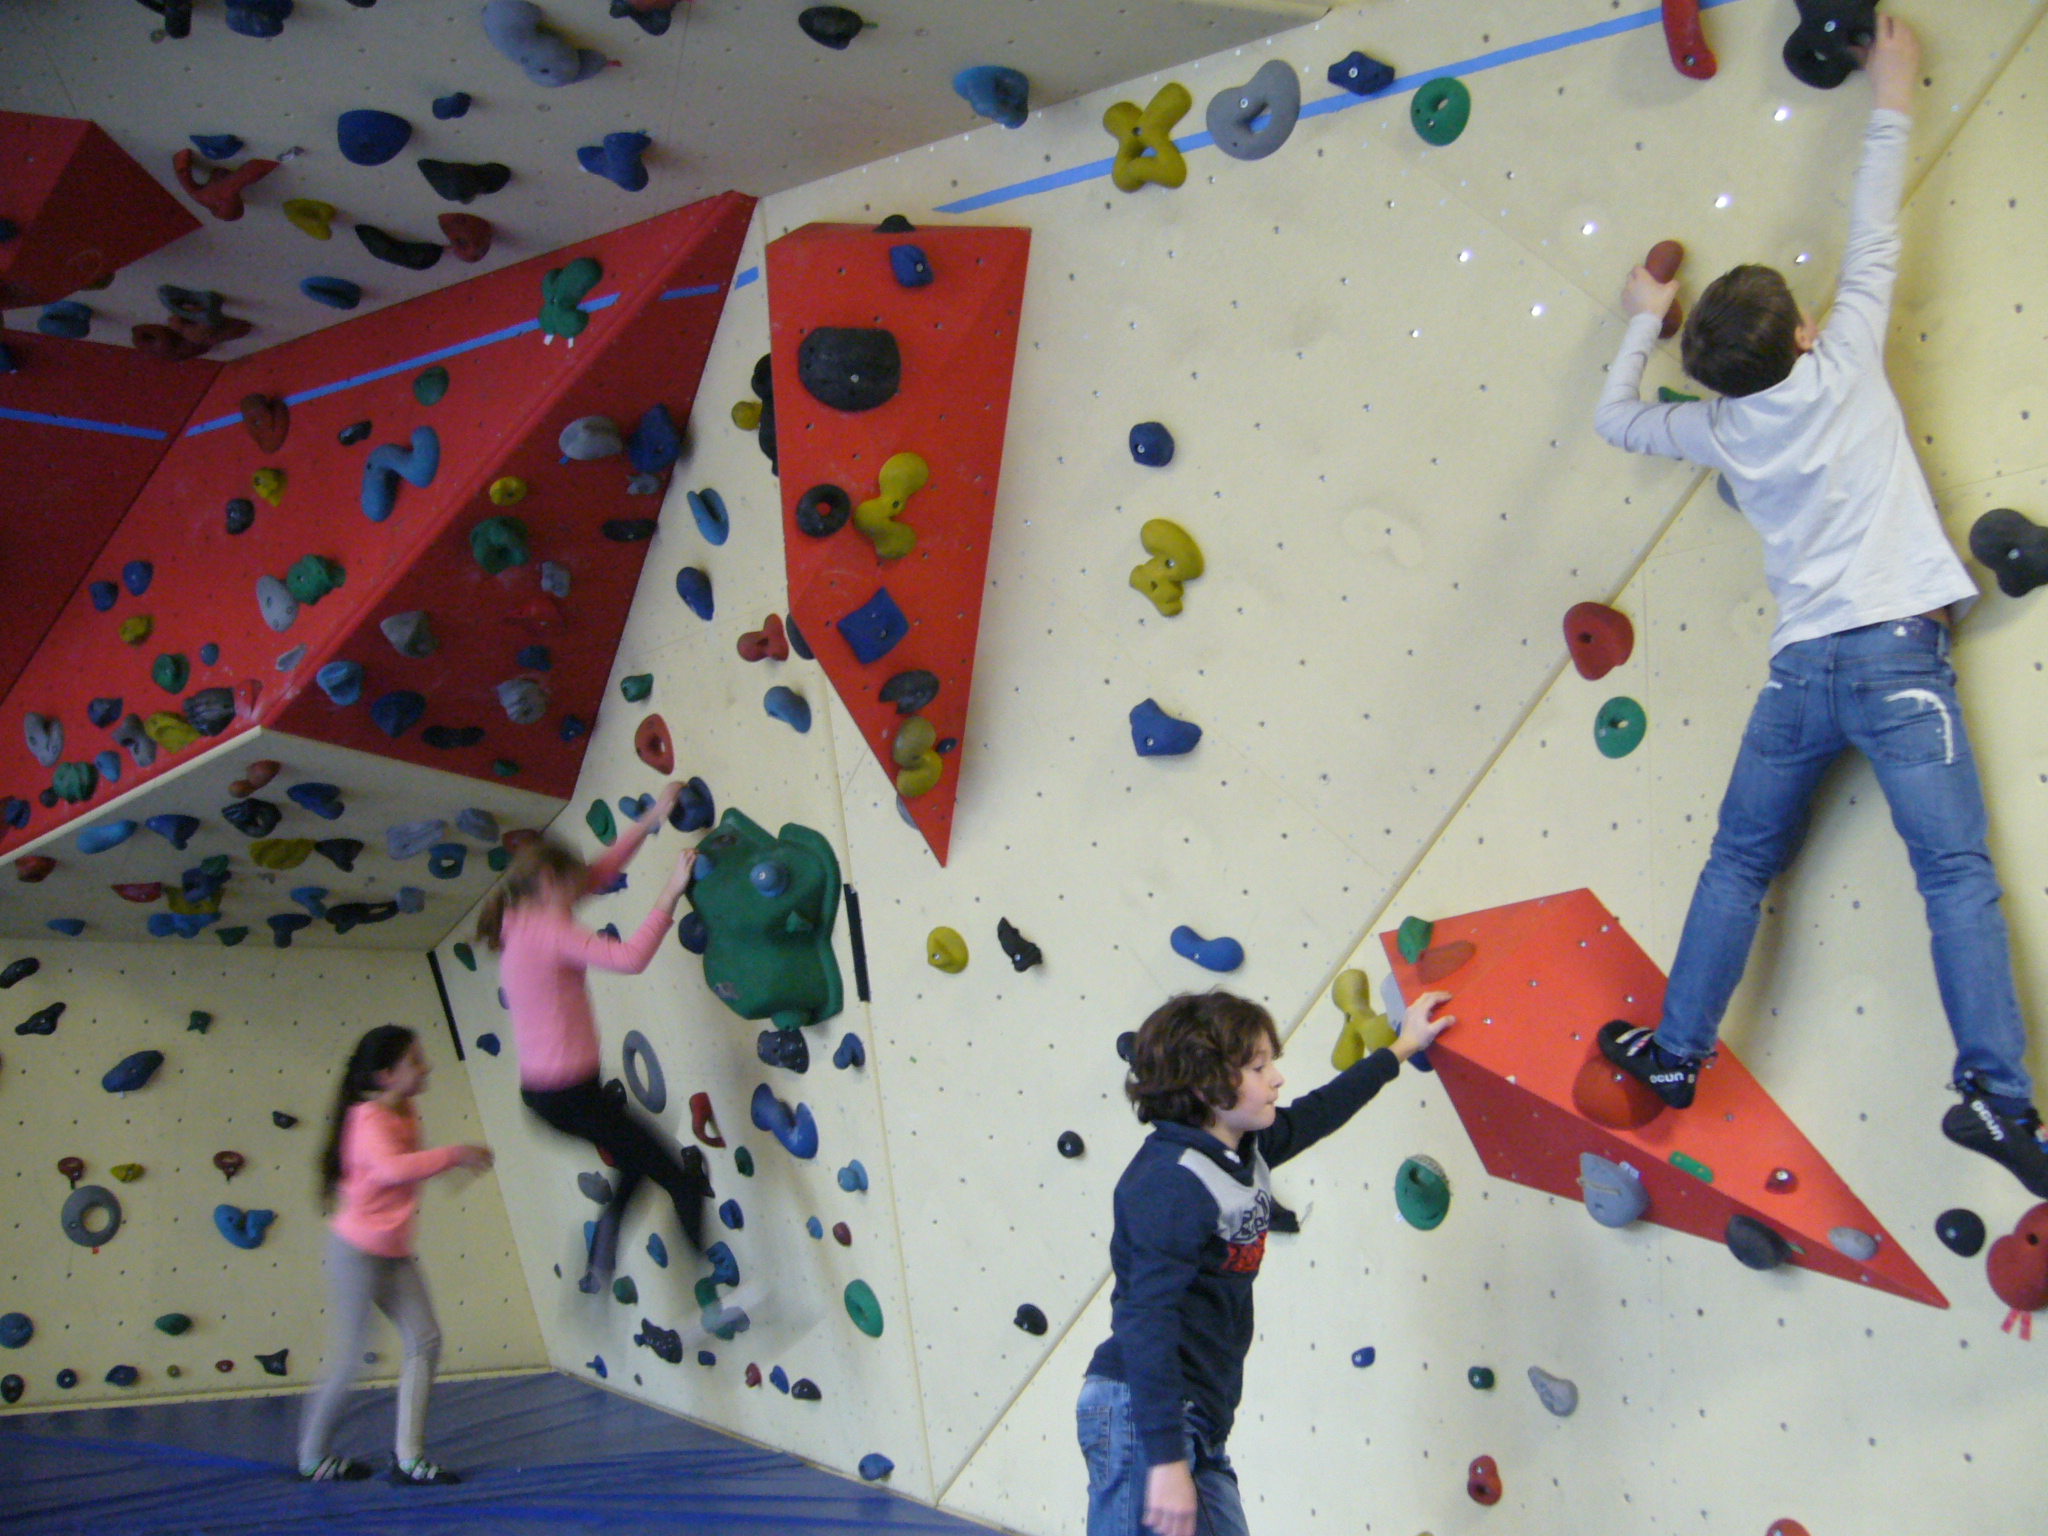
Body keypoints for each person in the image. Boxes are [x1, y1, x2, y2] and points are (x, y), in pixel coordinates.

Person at [1590, 16, 2047, 1196]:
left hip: (1799, 673)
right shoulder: (1841, 361)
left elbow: (1613, 418)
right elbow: (1873, 223)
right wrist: (1889, 89)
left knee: (1735, 864)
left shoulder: (1717, 424)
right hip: (1898, 666)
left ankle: (1676, 1053)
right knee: (1950, 876)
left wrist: (1643, 308)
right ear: (1800, 333)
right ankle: (1994, 1100)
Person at [1078, 987, 1453, 1536]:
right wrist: (1164, 1460)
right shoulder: (1169, 1181)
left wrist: (1400, 1048)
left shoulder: (1243, 1151)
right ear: (1206, 1084)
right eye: (1258, 1067)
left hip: (1196, 1417)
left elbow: (1324, 1109)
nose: (1276, 1077)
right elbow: (1144, 1319)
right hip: (1142, 1412)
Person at [475, 783, 712, 1291]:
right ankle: (711, 1289)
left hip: (552, 1098)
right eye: (571, 882)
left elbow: (601, 872)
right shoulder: (548, 932)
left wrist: (654, 815)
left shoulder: (527, 918)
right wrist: (672, 889)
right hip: (570, 1096)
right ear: (546, 880)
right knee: (676, 1176)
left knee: (635, 1165)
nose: (584, 888)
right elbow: (629, 959)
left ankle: (600, 1260)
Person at [298, 1025, 491, 1486]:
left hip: (393, 1252)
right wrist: (455, 1154)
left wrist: (448, 1168)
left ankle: (408, 1459)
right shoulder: (367, 1117)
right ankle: (311, 1458)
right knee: (349, 1357)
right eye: (415, 1061)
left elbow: (402, 1169)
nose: (425, 1067)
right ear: (386, 1075)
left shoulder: (406, 1109)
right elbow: (388, 1168)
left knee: (425, 1341)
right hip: (356, 1254)